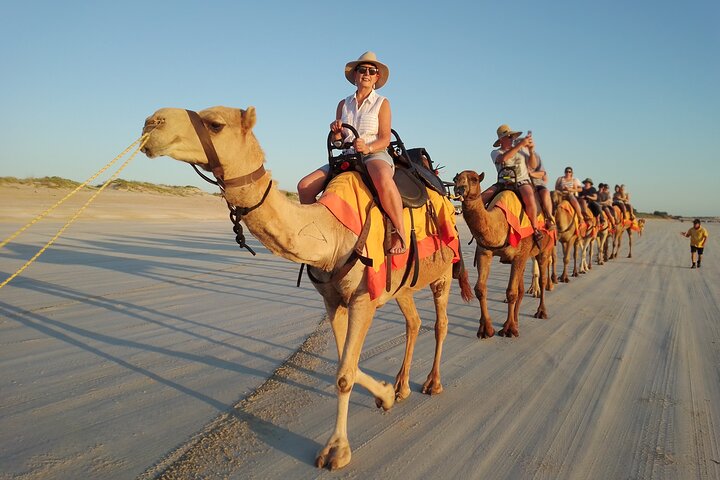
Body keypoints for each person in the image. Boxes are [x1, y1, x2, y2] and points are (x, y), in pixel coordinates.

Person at [297, 52, 407, 254]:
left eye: (371, 71)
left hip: (374, 154)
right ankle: (314, 232)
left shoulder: (382, 103)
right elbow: (338, 141)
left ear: (376, 78)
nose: (366, 73)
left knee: (383, 177)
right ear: (355, 75)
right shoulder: (343, 104)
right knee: (304, 186)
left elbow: (385, 138)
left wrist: (368, 148)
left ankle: (399, 232)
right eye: (362, 69)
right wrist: (337, 134)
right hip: (346, 155)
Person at [480, 124, 543, 241]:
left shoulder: (522, 150)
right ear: (501, 140)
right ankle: (480, 229)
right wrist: (520, 145)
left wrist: (531, 150)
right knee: (480, 199)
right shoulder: (496, 152)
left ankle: (535, 229)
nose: (511, 138)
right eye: (509, 136)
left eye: (511, 136)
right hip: (503, 182)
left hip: (521, 181)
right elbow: (503, 159)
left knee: (529, 197)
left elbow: (533, 165)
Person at [527, 147, 555, 230]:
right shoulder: (514, 154)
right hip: (519, 182)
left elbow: (542, 173)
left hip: (536, 184)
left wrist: (530, 174)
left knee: (546, 193)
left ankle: (548, 217)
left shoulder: (535, 156)